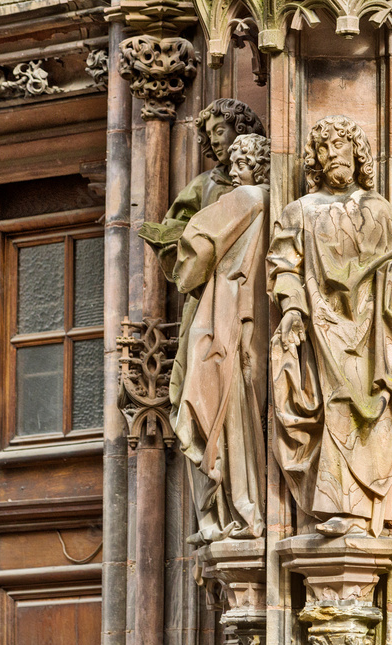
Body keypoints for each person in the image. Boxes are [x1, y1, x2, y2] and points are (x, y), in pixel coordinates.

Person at [267, 115, 392, 537]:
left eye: (341, 145)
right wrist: (292, 310)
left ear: (358, 152)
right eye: (324, 148)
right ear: (315, 160)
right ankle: (340, 505)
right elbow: (284, 267)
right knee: (334, 400)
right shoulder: (299, 211)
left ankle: (365, 504)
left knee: (371, 399)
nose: (333, 153)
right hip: (323, 321)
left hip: (373, 325)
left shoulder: (380, 209)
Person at [144, 133, 271, 543]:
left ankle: (230, 507)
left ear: (261, 166)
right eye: (232, 163)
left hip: (223, 310)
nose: (234, 172)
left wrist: (165, 243)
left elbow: (197, 244)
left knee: (205, 394)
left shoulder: (247, 198)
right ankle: (241, 507)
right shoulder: (275, 201)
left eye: (242, 163)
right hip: (251, 316)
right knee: (234, 404)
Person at [139, 98, 265, 410]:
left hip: (250, 281)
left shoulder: (263, 187)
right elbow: (178, 230)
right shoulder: (203, 185)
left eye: (220, 130)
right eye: (210, 134)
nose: (216, 139)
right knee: (202, 365)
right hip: (207, 287)